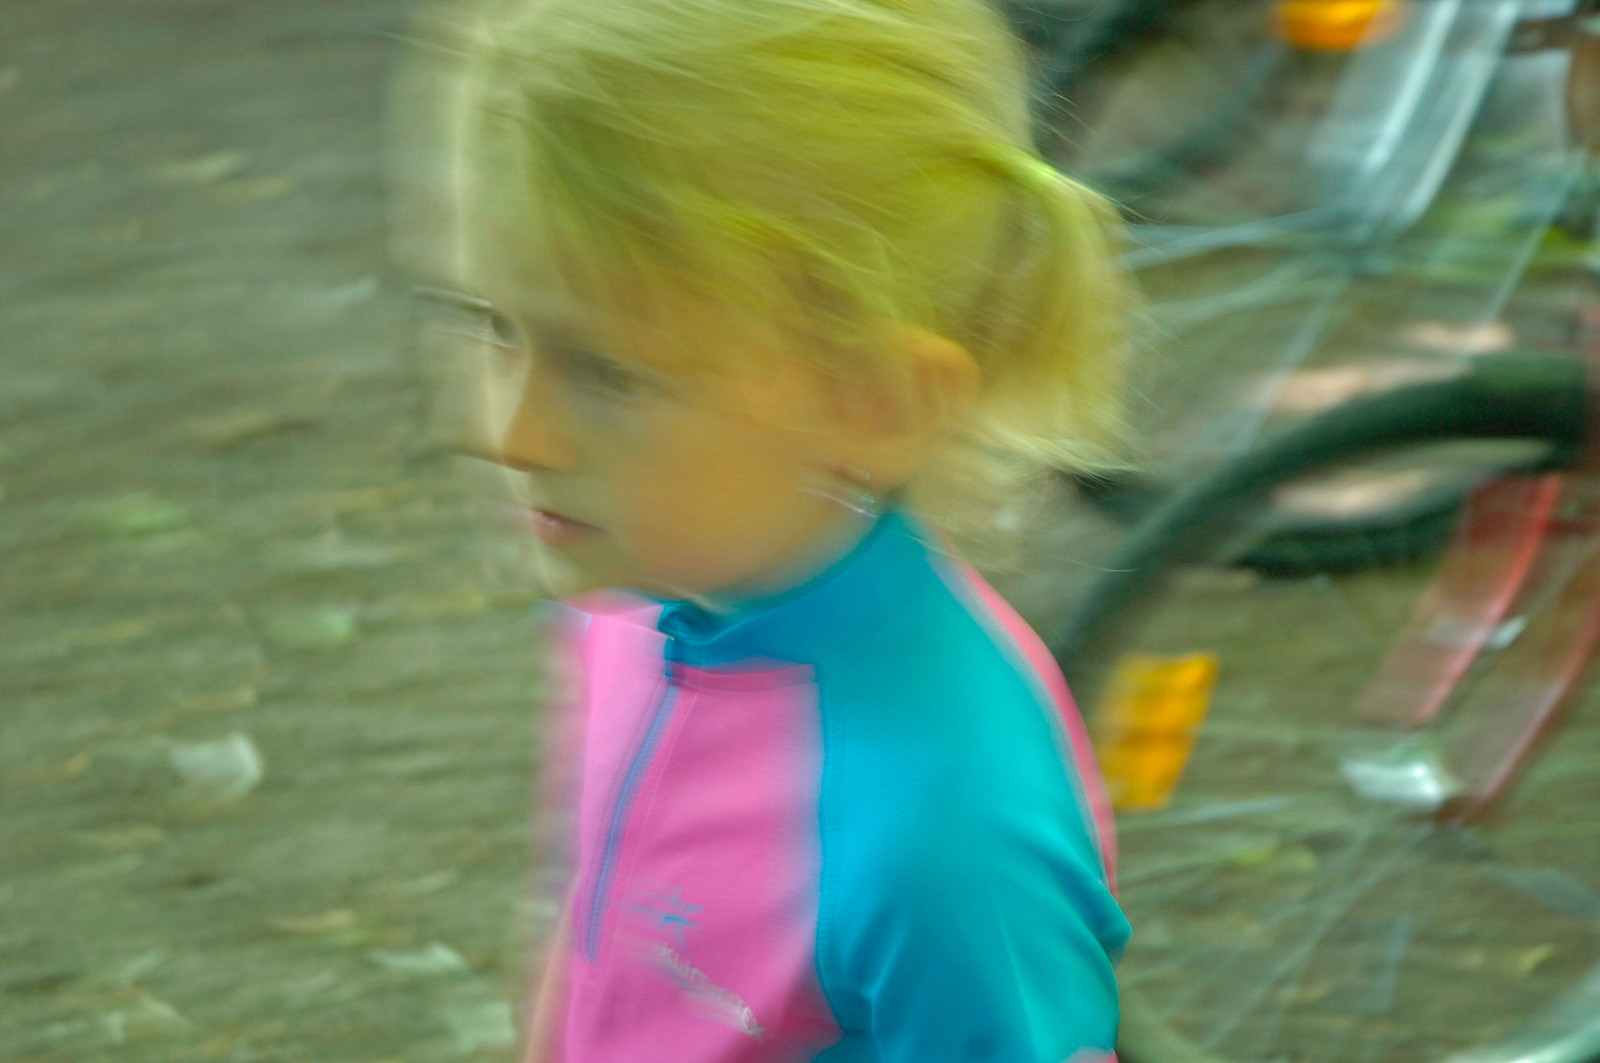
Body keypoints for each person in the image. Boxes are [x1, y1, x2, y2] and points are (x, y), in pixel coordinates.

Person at [423, 0, 1134, 1057]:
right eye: (496, 326)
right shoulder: (637, 592)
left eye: (608, 374)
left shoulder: (942, 833)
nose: (509, 433)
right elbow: (592, 918)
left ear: (876, 401)